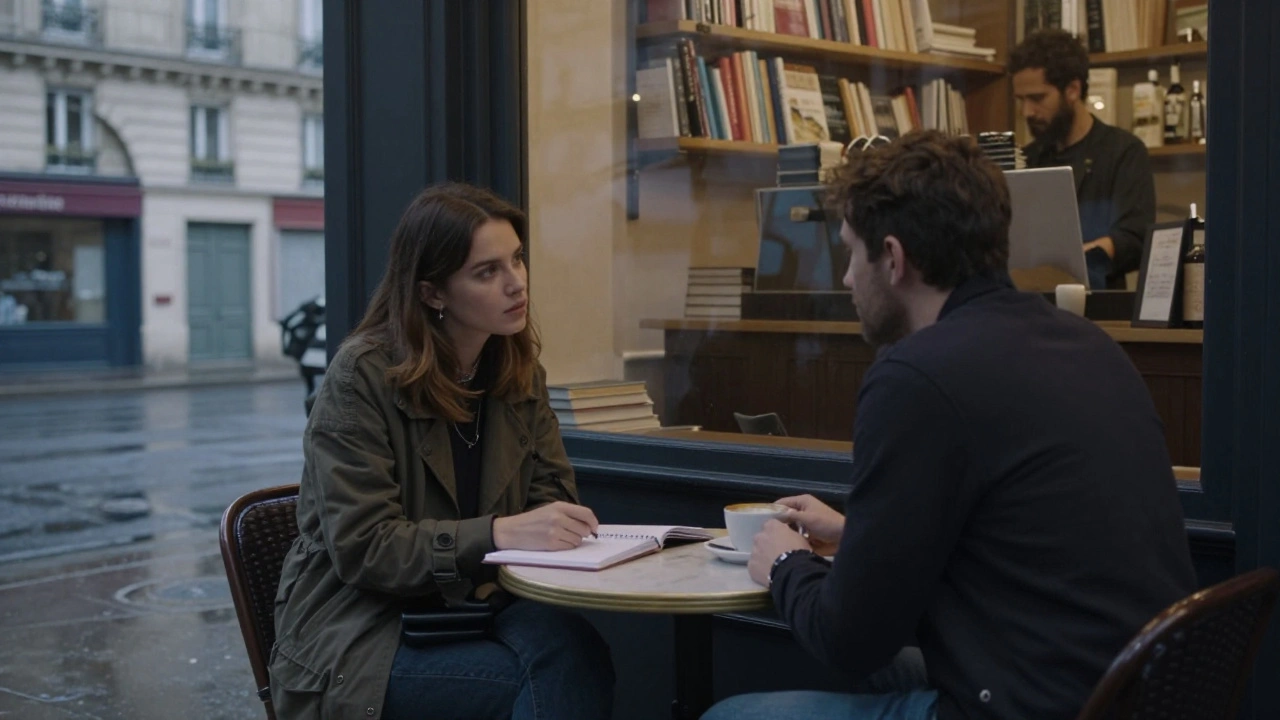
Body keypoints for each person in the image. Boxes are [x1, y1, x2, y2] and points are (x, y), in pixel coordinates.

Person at [700, 131, 1196, 720]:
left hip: (1031, 704)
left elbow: (849, 639)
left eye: (852, 255)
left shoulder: (918, 376)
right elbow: (1014, 538)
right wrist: (857, 530)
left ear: (893, 257)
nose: (847, 280)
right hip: (1128, 692)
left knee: (728, 716)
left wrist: (785, 563)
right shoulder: (1088, 345)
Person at [269, 182, 615, 720]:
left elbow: (552, 497)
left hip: (478, 603)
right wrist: (498, 533)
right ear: (432, 293)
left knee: (579, 651)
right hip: (362, 629)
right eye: (487, 272)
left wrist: (547, 527)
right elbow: (365, 548)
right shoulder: (362, 376)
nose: (516, 283)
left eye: (517, 260)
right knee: (527, 681)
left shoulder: (517, 371)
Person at [1011, 29, 1156, 289]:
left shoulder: (1123, 151)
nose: (1027, 111)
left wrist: (1079, 258)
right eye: (1021, 100)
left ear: (1073, 90)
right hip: (1032, 304)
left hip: (1100, 310)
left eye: (1037, 98)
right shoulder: (1025, 159)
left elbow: (1136, 238)